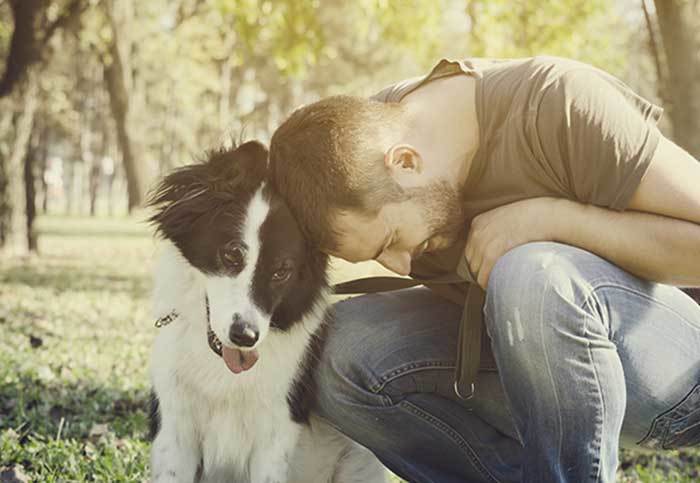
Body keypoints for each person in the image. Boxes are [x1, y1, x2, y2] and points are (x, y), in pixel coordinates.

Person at [268, 56, 700, 482]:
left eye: (391, 241)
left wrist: (554, 220)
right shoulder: (355, 146)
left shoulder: (556, 103)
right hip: (535, 378)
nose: (403, 265)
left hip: (675, 376)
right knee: (330, 351)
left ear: (405, 162)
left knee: (531, 275)